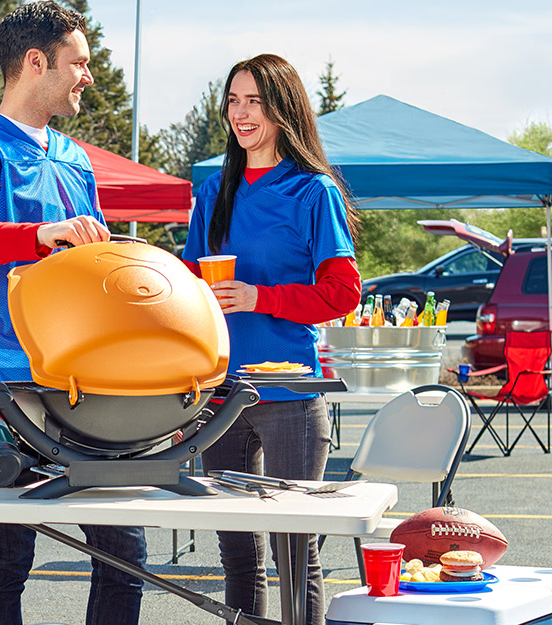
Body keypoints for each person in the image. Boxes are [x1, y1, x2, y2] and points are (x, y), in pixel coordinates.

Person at [0, 3, 146, 624]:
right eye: (79, 63)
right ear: (35, 63)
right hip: (10, 379)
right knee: (8, 552)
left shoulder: (76, 158)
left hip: (90, 380)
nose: (88, 76)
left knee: (124, 548)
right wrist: (45, 234)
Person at [182, 54, 362, 625]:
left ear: (283, 108)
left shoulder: (313, 192)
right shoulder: (213, 191)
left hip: (289, 393)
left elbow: (343, 293)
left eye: (254, 101)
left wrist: (262, 297)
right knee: (235, 551)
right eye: (233, 101)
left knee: (294, 548)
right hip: (220, 392)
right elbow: (189, 282)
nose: (241, 113)